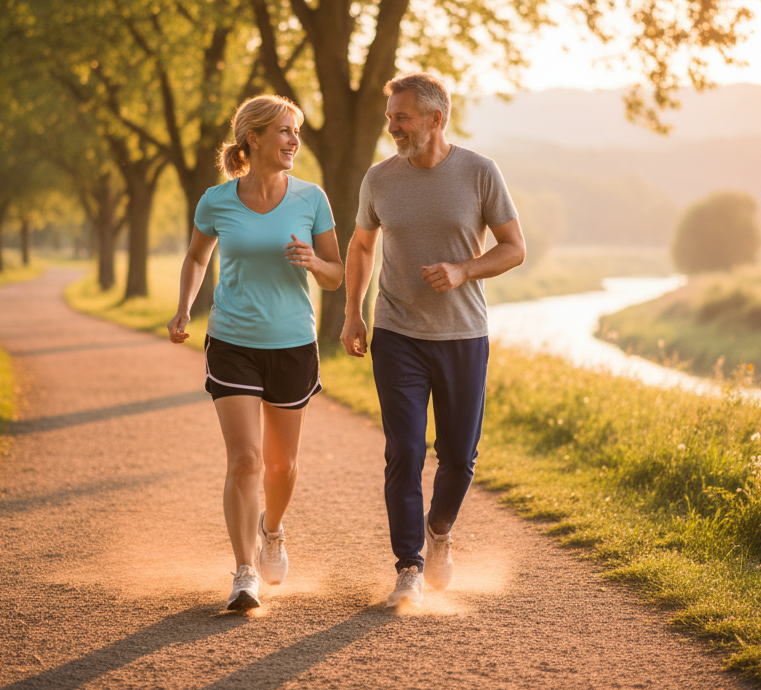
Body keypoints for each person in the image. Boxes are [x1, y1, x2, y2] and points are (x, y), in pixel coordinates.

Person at [340, 73, 526, 608]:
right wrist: (353, 313)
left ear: (435, 119)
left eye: (402, 117)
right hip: (397, 332)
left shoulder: (479, 173)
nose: (392, 126)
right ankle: (409, 565)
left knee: (459, 457)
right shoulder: (379, 180)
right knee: (404, 449)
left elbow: (514, 248)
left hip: (462, 335)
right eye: (389, 117)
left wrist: (465, 270)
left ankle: (439, 531)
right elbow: (360, 246)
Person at [168, 95, 343, 612]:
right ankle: (245, 572)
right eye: (285, 132)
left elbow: (337, 276)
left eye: (296, 132)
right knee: (244, 459)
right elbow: (198, 257)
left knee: (280, 464)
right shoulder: (216, 200)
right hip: (232, 340)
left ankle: (273, 531)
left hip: (292, 342)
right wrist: (184, 308)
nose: (293, 141)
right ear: (254, 138)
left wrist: (314, 261)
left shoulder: (312, 198)